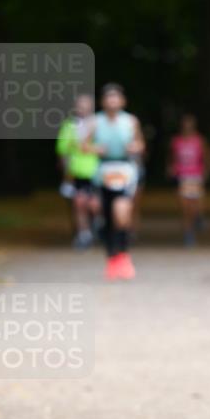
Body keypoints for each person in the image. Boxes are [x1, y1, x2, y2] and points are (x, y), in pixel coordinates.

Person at [86, 83, 146, 280]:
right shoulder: (94, 122)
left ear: (122, 101)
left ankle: (124, 254)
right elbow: (82, 145)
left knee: (122, 213)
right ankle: (112, 258)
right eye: (108, 97)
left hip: (124, 170)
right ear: (103, 102)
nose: (112, 101)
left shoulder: (130, 121)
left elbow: (140, 144)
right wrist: (96, 149)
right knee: (107, 216)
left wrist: (135, 147)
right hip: (103, 170)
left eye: (116, 97)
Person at [55, 94, 100, 248]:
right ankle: (84, 233)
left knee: (95, 204)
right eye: (80, 104)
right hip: (77, 172)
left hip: (97, 171)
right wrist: (66, 176)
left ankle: (96, 226)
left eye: (86, 104)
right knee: (79, 203)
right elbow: (63, 151)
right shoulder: (69, 126)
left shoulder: (99, 123)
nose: (83, 108)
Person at [167, 113, 210, 247]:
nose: (187, 126)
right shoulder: (176, 141)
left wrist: (206, 172)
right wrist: (171, 168)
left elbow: (208, 157)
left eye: (190, 123)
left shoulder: (200, 140)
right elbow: (171, 158)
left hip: (196, 177)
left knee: (195, 206)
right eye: (185, 123)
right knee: (185, 208)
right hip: (182, 177)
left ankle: (199, 218)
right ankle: (188, 234)